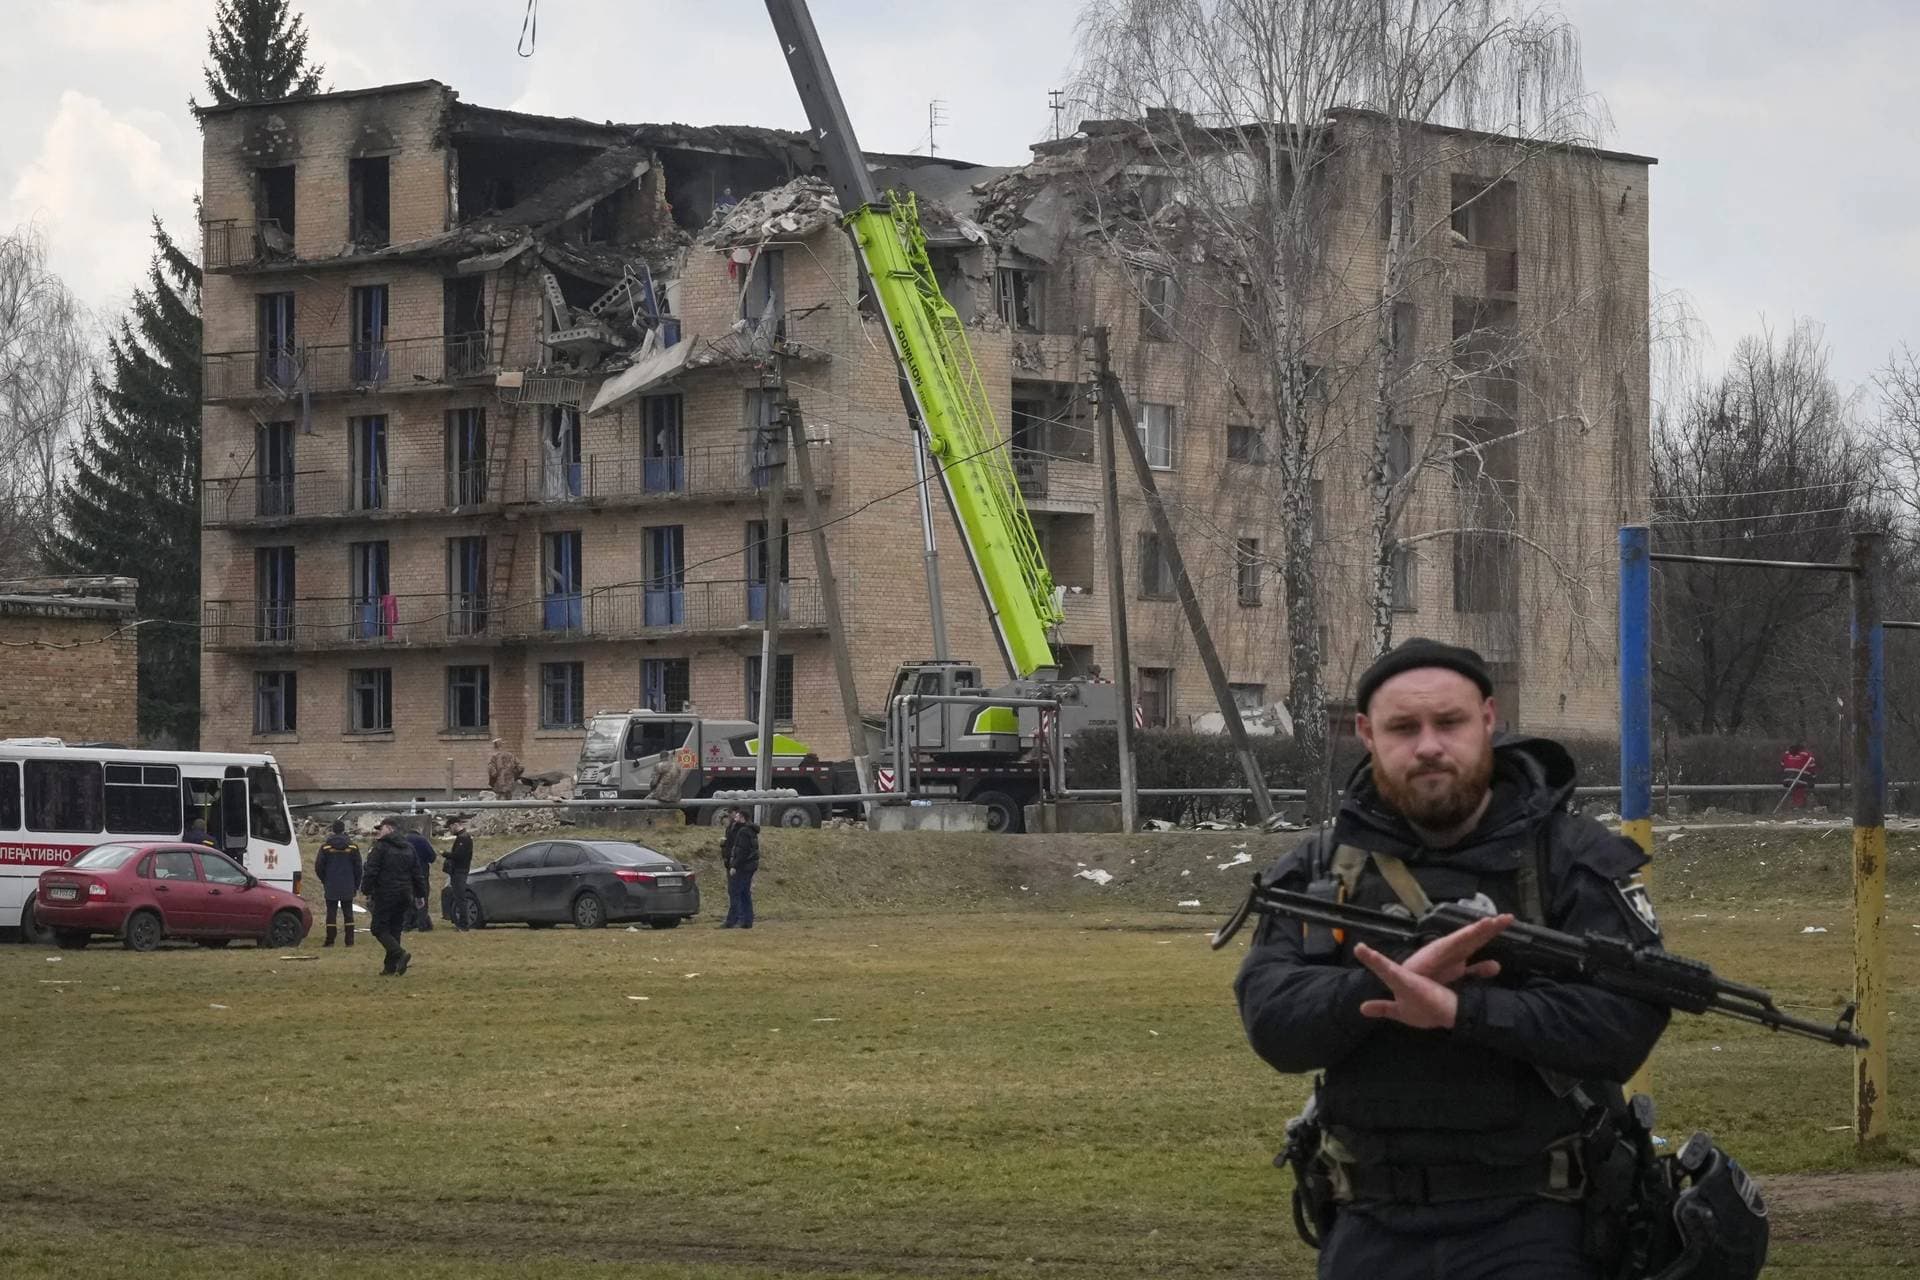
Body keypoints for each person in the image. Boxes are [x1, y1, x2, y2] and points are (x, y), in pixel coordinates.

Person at [1234, 637, 1669, 1280]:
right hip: (1369, 1225)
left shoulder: (1573, 861)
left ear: (1489, 720)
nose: (1429, 745)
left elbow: (1622, 1026)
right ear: (1366, 734)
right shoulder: (1322, 871)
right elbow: (1273, 1022)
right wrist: (1380, 989)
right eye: (1403, 727)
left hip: (1540, 1221)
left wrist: (1461, 1010)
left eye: (1451, 722)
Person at [360, 817, 426, 977]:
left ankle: (400, 953)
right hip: (405, 894)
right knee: (395, 928)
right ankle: (390, 967)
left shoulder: (380, 847)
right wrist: (420, 894)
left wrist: (366, 889)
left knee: (378, 928)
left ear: (389, 829)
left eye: (380, 829)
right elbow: (417, 873)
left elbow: (372, 870)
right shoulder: (409, 847)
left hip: (386, 893)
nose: (378, 832)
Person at [313, 821, 363, 947]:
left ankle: (330, 940)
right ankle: (350, 941)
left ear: (332, 830)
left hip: (331, 883)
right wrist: (355, 884)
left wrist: (325, 880)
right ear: (344, 829)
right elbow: (358, 868)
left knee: (331, 913)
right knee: (348, 913)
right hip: (348, 883)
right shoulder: (353, 847)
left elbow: (319, 866)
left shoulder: (325, 847)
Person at [720, 806, 760, 929]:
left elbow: (741, 851)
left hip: (743, 866)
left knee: (737, 892)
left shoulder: (743, 831)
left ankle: (733, 920)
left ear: (742, 817)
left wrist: (734, 865)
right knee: (744, 893)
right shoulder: (750, 830)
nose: (735, 817)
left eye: (737, 815)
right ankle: (746, 920)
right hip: (749, 866)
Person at [442, 815, 474, 931]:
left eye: (450, 827)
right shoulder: (462, 837)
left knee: (460, 898)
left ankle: (463, 924)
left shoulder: (463, 838)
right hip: (460, 871)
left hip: (460, 871)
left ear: (456, 825)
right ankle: (461, 922)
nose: (450, 831)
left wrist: (445, 854)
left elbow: (459, 856)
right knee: (459, 897)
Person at [404, 825, 438, 932]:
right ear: (418, 831)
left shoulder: (403, 840)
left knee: (408, 900)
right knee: (422, 899)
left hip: (407, 875)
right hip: (422, 873)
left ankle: (407, 924)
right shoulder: (423, 840)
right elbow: (432, 857)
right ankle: (422, 925)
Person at [650, 749, 686, 823]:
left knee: (645, 802)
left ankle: (649, 821)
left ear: (661, 757)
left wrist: (652, 789)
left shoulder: (659, 766)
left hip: (663, 796)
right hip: (676, 796)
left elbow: (653, 782)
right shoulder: (677, 766)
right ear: (668, 756)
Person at [1780, 742, 1818, 810]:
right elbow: (1812, 768)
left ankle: (1791, 807)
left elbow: (1782, 765)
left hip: (1787, 778)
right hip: (1800, 779)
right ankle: (1798, 807)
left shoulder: (1786, 754)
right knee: (1799, 791)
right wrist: (1813, 778)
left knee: (1793, 792)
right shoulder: (1807, 755)